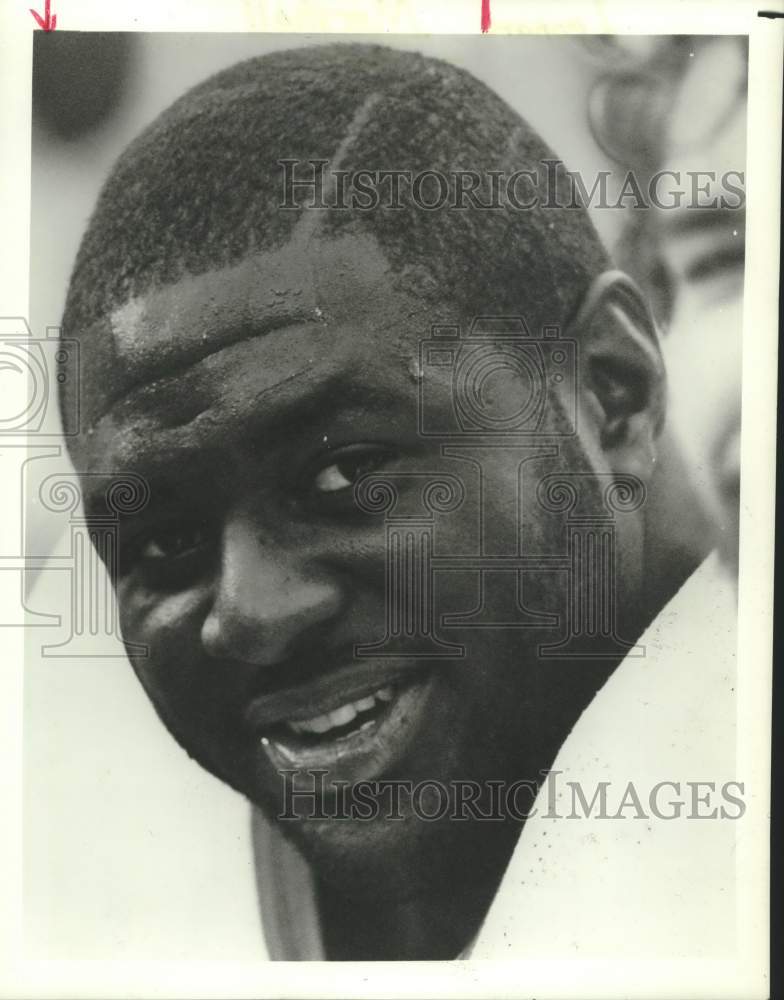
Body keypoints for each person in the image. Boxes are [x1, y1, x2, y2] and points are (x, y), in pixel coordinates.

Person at [57, 43, 723, 960]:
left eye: (346, 473)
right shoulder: (100, 891)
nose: (250, 615)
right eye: (166, 543)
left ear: (611, 395)